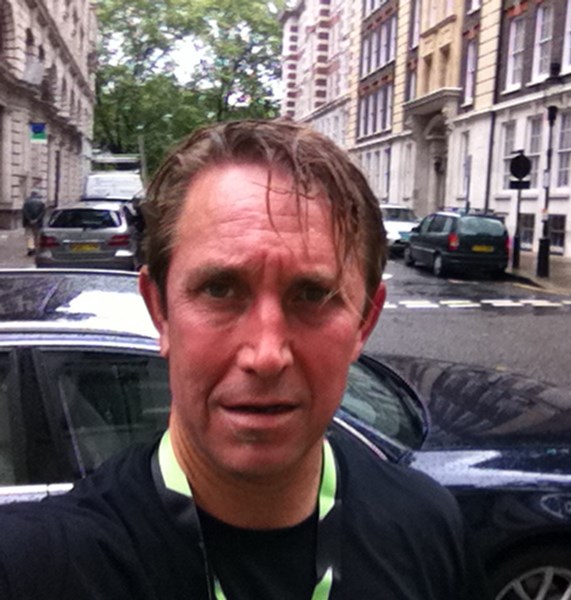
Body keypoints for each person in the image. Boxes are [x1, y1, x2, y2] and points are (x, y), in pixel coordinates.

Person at [0, 119, 489, 599]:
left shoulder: (430, 530)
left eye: (312, 294)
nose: (267, 355)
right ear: (160, 310)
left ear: (364, 320)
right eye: (220, 289)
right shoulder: (37, 568)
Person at [22, 189, 45, 256]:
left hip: (28, 222)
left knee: (29, 235)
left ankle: (31, 247)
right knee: (37, 235)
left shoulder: (26, 202)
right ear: (37, 194)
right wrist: (37, 219)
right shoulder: (41, 203)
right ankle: (36, 248)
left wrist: (30, 219)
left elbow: (24, 212)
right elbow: (43, 213)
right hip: (38, 223)